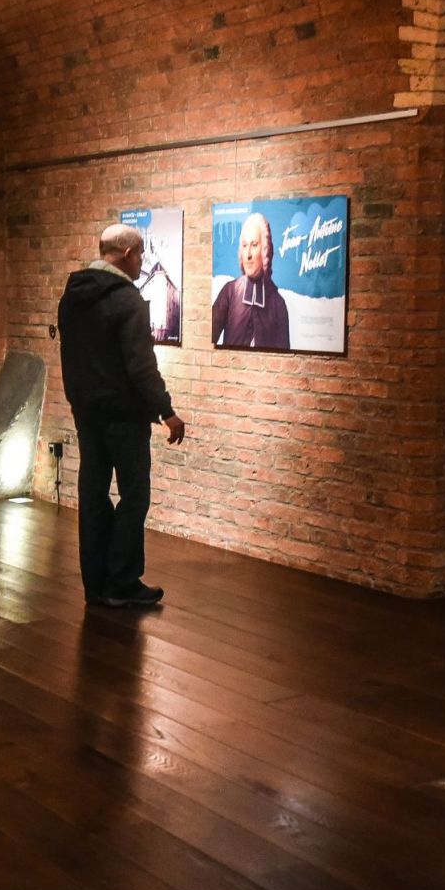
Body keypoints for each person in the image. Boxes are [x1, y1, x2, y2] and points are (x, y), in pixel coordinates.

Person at [57, 223, 186, 608]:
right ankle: (122, 581)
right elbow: (141, 366)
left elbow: (72, 357)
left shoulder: (72, 296)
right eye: (140, 254)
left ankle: (96, 584)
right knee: (135, 494)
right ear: (128, 254)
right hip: (125, 415)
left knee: (93, 493)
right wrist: (167, 410)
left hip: (87, 412)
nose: (142, 261)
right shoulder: (127, 300)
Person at [211, 211, 290, 349]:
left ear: (265, 250)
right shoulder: (229, 292)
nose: (248, 254)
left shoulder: (278, 305)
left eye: (254, 245)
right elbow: (206, 340)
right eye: (244, 245)